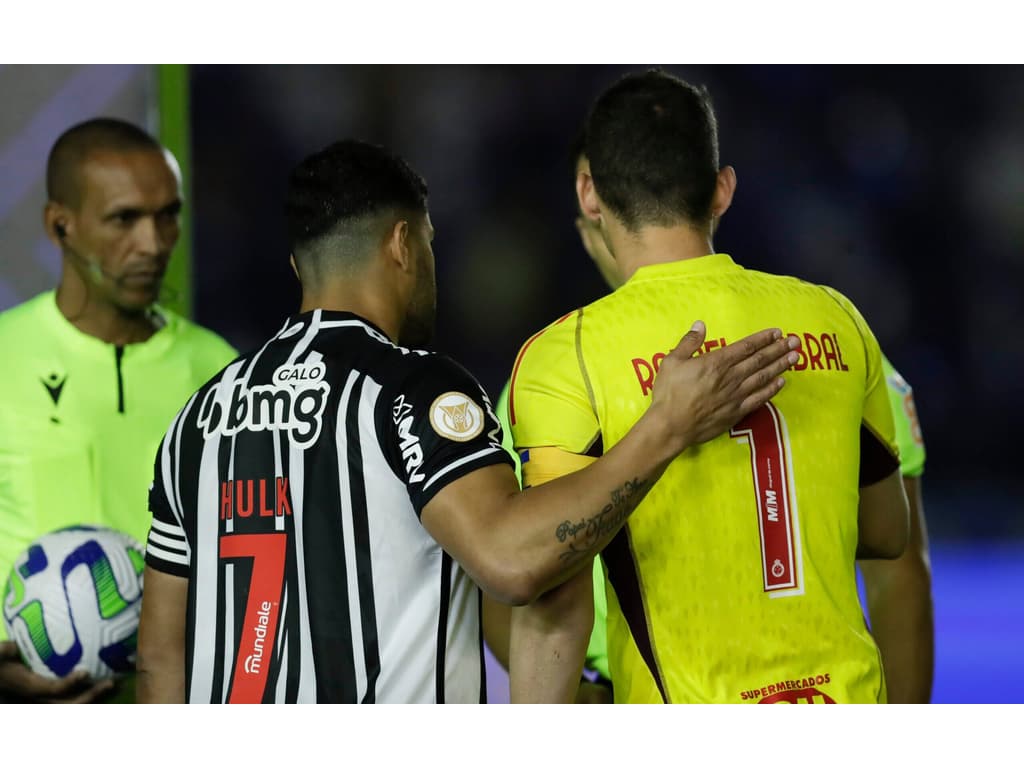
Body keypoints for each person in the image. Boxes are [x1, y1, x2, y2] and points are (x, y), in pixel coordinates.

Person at [134, 138, 800, 704]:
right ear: (401, 245)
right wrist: (665, 428)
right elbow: (511, 559)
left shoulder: (198, 418)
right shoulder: (410, 387)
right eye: (427, 242)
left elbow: (161, 659)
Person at [506, 69, 910, 704]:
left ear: (590, 193)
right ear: (722, 191)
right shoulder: (835, 316)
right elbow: (888, 531)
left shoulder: (566, 357)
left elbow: (555, 591)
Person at [0, 118, 237, 703]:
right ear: (61, 225)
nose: (154, 244)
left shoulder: (224, 373)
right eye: (124, 219)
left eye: (168, 215)